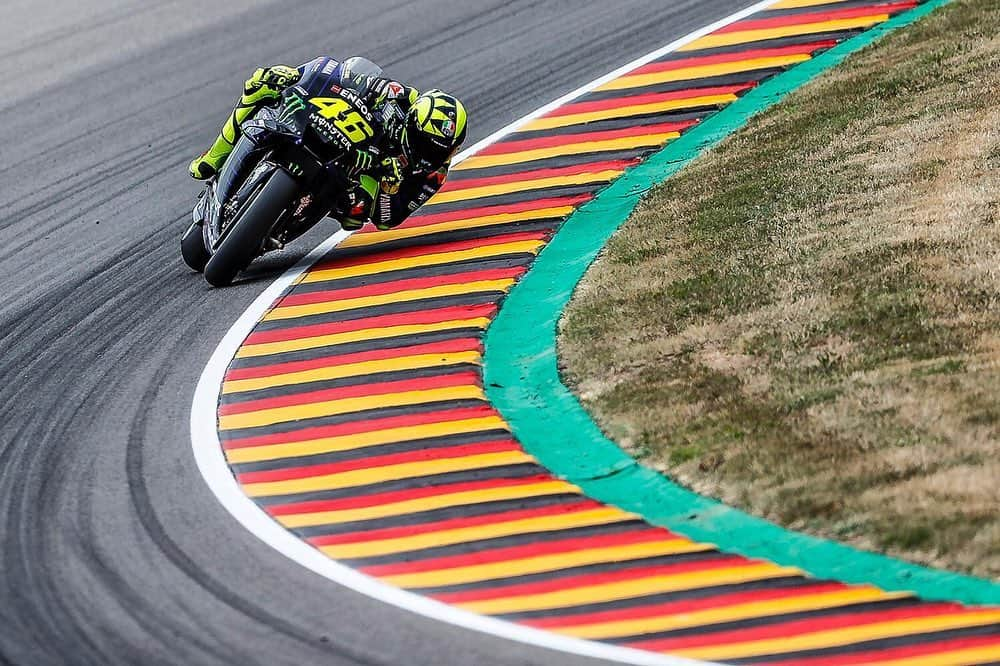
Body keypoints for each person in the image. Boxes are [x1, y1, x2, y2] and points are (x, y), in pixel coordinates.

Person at [188, 56, 467, 231]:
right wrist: (301, 76)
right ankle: (215, 157)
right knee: (263, 84)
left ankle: (295, 214)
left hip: (358, 177)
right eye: (428, 146)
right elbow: (347, 75)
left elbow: (387, 220)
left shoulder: (435, 174)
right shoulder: (403, 98)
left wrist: (387, 188)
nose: (433, 155)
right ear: (412, 125)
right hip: (341, 133)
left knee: (354, 217)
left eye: (443, 150)